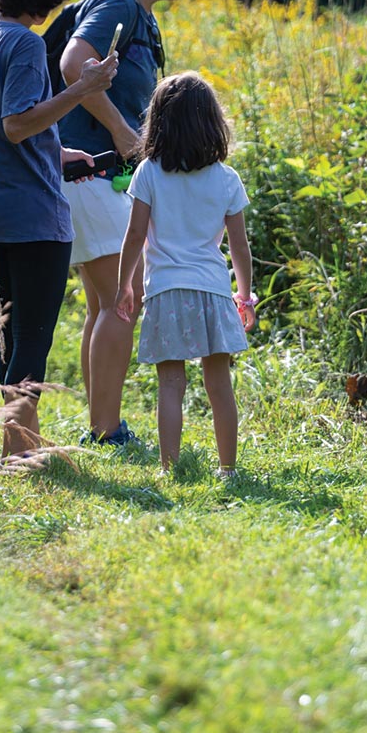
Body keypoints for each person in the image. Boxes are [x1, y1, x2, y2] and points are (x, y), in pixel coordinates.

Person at [0, 0, 118, 460]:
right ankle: (16, 451)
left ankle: (20, 441)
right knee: (31, 338)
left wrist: (56, 150)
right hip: (32, 219)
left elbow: (2, 127)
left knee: (9, 334)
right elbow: (16, 124)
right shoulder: (24, 43)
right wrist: (82, 90)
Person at [58, 0, 204, 445]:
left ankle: (99, 424)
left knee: (104, 302)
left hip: (100, 178)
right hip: (87, 174)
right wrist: (122, 131)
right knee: (124, 298)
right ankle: (105, 430)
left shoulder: (141, 15)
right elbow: (74, 66)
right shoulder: (116, 0)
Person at [114, 72, 257, 476]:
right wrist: (244, 298)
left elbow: (135, 234)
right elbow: (239, 247)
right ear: (213, 123)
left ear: (158, 123)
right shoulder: (226, 179)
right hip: (213, 290)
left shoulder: (149, 173)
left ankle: (169, 467)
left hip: (165, 291)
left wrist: (124, 284)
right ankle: (227, 468)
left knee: (171, 385)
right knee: (219, 386)